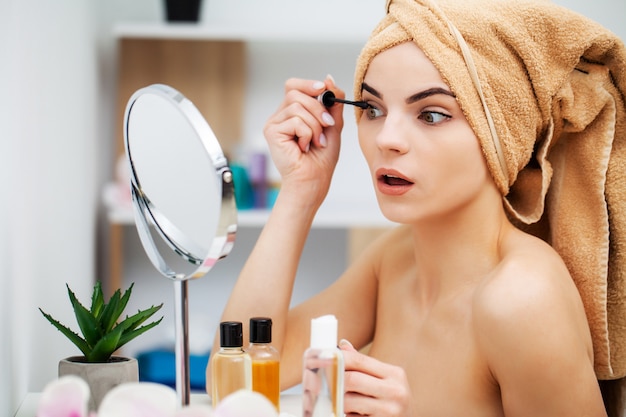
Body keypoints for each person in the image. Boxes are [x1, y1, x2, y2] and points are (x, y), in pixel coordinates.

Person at [207, 0, 626, 415]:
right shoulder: (395, 260)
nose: (388, 138)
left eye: (431, 114)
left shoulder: (522, 299)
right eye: (372, 108)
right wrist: (301, 192)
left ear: (503, 134)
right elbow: (234, 381)